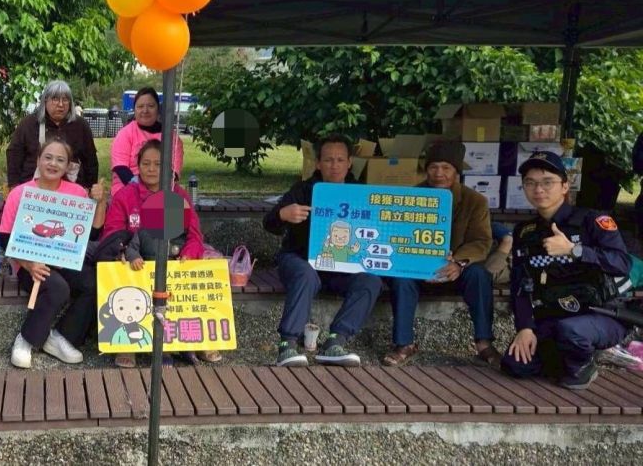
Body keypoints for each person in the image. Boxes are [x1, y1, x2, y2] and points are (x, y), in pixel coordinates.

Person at [502, 151, 634, 389]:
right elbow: (520, 283)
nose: (538, 189)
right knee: (516, 364)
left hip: (602, 314)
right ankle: (568, 355)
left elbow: (622, 263)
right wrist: (525, 327)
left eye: (547, 182)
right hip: (555, 315)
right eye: (530, 183)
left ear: (565, 186)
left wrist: (575, 250)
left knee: (572, 335)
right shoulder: (526, 232)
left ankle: (584, 364)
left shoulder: (592, 221)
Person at [264, 134, 383, 367]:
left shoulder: (362, 194)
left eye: (340, 160)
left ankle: (335, 341)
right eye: (328, 160)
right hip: (299, 259)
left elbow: (378, 231)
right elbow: (269, 223)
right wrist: (283, 214)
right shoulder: (302, 190)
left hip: (341, 268)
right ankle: (287, 345)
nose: (334, 165)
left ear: (349, 163)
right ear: (318, 163)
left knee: (371, 280)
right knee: (306, 275)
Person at [101, 140, 220, 368]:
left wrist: (188, 255)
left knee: (202, 266)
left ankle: (199, 338)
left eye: (158, 164)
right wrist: (125, 252)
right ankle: (127, 345)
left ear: (168, 168)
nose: (151, 169)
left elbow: (194, 234)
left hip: (173, 259)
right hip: (137, 261)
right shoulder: (126, 195)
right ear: (138, 166)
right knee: (121, 269)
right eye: (146, 163)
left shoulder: (178, 194)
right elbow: (113, 233)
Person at [384, 142, 499, 367]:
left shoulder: (475, 201)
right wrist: (417, 263)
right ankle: (404, 343)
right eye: (433, 167)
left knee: (479, 275)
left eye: (446, 167)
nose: (439, 173)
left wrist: (458, 262)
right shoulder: (411, 197)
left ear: (457, 172)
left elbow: (481, 241)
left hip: (455, 270)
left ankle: (484, 343)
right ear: (426, 170)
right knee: (401, 278)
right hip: (418, 270)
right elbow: (397, 237)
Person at [2, 138, 106, 368]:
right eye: (48, 157)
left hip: (65, 258)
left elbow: (93, 234)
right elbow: (5, 237)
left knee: (93, 282)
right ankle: (26, 339)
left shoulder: (77, 192)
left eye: (60, 160)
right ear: (38, 160)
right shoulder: (20, 193)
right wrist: (29, 264)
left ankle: (61, 337)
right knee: (58, 288)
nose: (53, 163)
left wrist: (100, 202)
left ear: (68, 166)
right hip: (28, 262)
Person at [6, 80, 99, 190]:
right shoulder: (29, 123)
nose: (61, 104)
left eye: (65, 100)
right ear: (45, 101)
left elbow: (90, 160)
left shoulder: (80, 125)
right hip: (32, 189)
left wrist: (90, 187)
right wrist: (14, 186)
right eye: (55, 99)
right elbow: (14, 155)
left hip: (71, 191)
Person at [110, 87, 184, 197]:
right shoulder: (124, 134)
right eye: (140, 106)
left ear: (158, 109)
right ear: (134, 109)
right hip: (127, 192)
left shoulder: (172, 138)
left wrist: (155, 192)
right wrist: (142, 191)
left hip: (161, 193)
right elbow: (120, 168)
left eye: (150, 106)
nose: (145, 110)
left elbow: (174, 173)